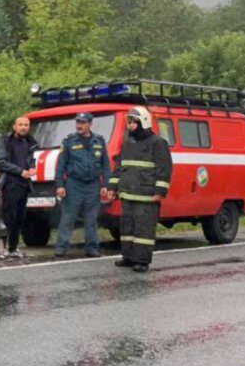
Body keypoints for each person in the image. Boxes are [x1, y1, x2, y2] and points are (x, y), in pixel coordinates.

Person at [109, 106, 172, 272]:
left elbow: (164, 169)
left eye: (132, 122)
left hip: (147, 196)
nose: (129, 125)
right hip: (128, 195)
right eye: (128, 122)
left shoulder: (157, 143)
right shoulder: (128, 143)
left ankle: (142, 261)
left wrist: (160, 192)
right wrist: (113, 187)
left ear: (143, 122)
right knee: (127, 229)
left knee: (143, 230)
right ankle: (128, 257)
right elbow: (119, 167)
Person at [53, 112, 112, 258]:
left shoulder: (99, 141)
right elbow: (60, 165)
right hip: (74, 184)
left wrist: (106, 184)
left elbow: (105, 165)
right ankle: (61, 247)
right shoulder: (69, 141)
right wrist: (60, 185)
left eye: (82, 122)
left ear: (90, 124)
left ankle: (92, 247)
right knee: (68, 217)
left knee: (91, 218)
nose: (79, 125)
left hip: (93, 185)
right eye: (77, 122)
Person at [0, 116, 38, 259]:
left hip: (24, 185)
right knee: (8, 217)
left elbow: (31, 160)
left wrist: (32, 168)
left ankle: (13, 248)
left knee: (20, 218)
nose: (23, 127)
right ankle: (2, 249)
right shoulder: (6, 140)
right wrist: (20, 171)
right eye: (20, 125)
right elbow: (0, 162)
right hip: (10, 183)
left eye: (26, 125)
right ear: (14, 126)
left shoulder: (29, 142)